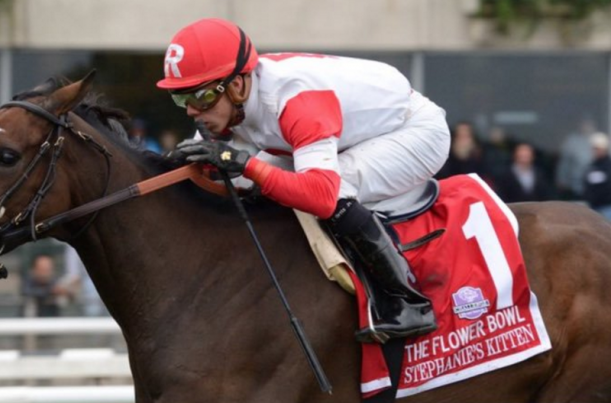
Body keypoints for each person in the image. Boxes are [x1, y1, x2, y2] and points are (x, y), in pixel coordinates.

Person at [159, 18, 450, 341]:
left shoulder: (295, 101)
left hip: (414, 132)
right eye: (181, 99)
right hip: (342, 131)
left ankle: (407, 301)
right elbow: (226, 167)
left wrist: (245, 164)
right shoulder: (229, 100)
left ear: (237, 85)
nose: (191, 112)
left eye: (198, 98)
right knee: (247, 183)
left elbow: (321, 196)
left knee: (338, 188)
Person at [583, 132, 611, 220]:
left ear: (604, 149)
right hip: (593, 208)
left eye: (597, 148)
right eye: (593, 148)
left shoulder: (608, 166)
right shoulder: (592, 166)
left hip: (607, 207)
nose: (594, 151)